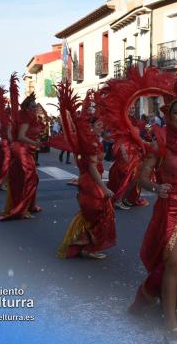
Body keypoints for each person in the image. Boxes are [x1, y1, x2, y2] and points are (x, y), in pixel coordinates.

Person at [100, 67, 177, 344]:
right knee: (174, 264)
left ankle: (176, 306)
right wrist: (156, 187)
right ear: (168, 116)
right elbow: (142, 178)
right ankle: (170, 324)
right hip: (169, 209)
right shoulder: (159, 144)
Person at [55, 83, 116, 259]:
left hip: (87, 182)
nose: (102, 127)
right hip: (90, 183)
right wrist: (104, 188)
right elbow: (91, 167)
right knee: (100, 214)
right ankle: (87, 246)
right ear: (92, 126)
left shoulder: (92, 140)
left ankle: (86, 245)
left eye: (102, 124)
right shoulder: (91, 143)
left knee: (93, 215)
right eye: (99, 124)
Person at [0, 73, 44, 222]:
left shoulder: (29, 116)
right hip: (21, 149)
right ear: (27, 107)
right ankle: (21, 209)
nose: (35, 108)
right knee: (28, 179)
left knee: (29, 178)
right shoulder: (25, 117)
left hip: (25, 149)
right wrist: (36, 143)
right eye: (32, 106)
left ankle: (27, 205)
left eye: (35, 105)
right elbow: (21, 136)